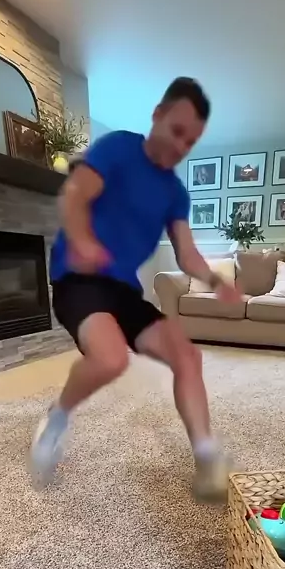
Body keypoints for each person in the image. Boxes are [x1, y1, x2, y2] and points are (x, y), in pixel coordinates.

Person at [28, 77, 242, 502]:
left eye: (191, 141)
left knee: (188, 356)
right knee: (110, 359)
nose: (181, 146)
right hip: (78, 280)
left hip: (124, 291)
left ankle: (206, 456)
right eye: (177, 131)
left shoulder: (174, 192)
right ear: (157, 115)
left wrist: (218, 281)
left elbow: (187, 255)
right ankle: (57, 417)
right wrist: (82, 240)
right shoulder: (119, 148)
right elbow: (74, 195)